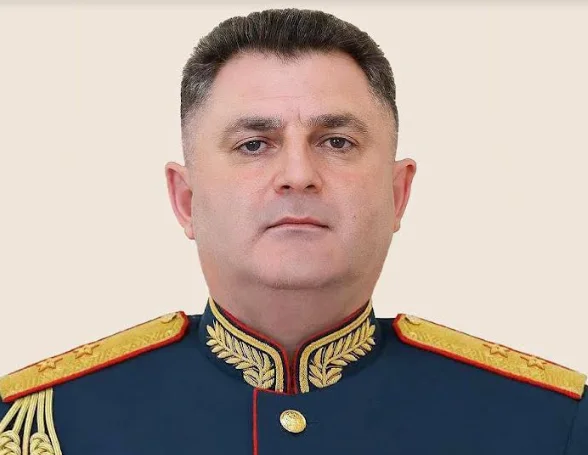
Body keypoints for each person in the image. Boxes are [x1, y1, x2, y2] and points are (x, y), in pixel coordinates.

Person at [0, 7, 585, 455]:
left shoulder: (549, 425)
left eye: (337, 142)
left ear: (397, 193)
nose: (298, 174)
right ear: (186, 200)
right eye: (254, 145)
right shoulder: (45, 427)